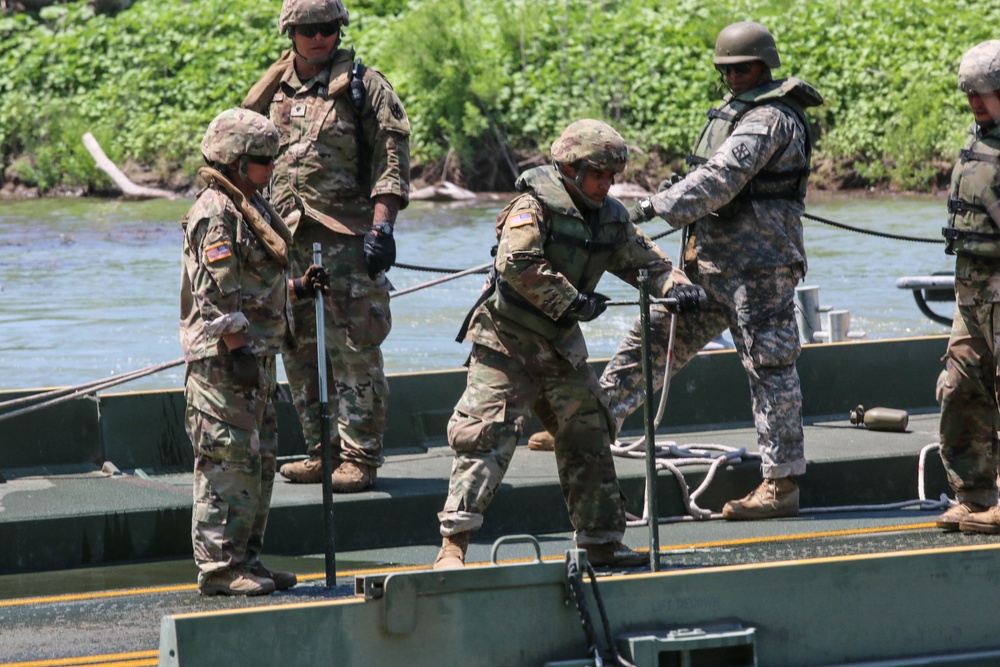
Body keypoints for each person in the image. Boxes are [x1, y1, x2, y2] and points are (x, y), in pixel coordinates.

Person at [529, 21, 823, 521]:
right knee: (650, 339)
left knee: (770, 370)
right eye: (726, 70)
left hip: (761, 269)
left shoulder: (771, 118)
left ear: (765, 66)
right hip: (709, 264)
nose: (734, 77)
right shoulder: (739, 112)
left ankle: (782, 482)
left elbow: (721, 177)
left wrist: (651, 207)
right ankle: (596, 423)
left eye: (743, 68)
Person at [433, 119, 705, 570]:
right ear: (570, 169)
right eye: (598, 175)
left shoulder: (610, 216)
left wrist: (675, 285)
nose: (606, 184)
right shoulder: (532, 207)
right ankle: (453, 546)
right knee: (486, 434)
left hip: (560, 348)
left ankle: (600, 542)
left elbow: (645, 262)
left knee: (589, 429)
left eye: (611, 176)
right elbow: (517, 263)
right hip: (507, 342)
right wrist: (572, 300)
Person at [243, 0, 411, 493]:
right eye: (308, 29)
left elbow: (391, 162)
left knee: (355, 346)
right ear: (290, 32)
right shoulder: (271, 89)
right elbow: (242, 156)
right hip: (284, 238)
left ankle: (360, 456)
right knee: (296, 345)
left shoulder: (365, 86)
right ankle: (323, 449)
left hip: (346, 238)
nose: (319, 38)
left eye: (328, 28)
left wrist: (382, 228)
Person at [180, 108, 328, 596]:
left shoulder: (250, 204)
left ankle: (247, 559)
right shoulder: (216, 210)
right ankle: (219, 569)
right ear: (238, 162)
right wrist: (236, 347)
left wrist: (298, 288)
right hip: (225, 362)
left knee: (258, 463)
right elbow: (215, 293)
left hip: (254, 357)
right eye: (265, 160)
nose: (273, 168)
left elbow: (249, 286)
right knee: (226, 462)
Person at [935, 40, 1000, 534]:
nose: (977, 102)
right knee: (959, 389)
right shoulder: (979, 138)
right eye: (970, 93)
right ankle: (974, 493)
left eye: (986, 92)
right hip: (973, 288)